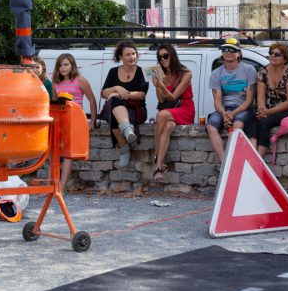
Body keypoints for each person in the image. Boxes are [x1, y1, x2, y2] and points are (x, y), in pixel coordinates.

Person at [205, 38, 256, 162]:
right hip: (224, 109)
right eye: (225, 49)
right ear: (222, 52)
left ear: (239, 53)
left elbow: (249, 100)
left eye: (232, 49)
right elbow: (217, 100)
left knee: (237, 126)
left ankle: (234, 160)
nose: (228, 52)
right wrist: (224, 114)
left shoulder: (249, 70)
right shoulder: (216, 73)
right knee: (211, 127)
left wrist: (232, 114)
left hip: (242, 108)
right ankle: (225, 162)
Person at [100, 40, 149, 169]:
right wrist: (116, 88)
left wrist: (120, 93)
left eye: (134, 53)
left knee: (115, 103)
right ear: (120, 56)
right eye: (128, 54)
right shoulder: (113, 71)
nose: (132, 57)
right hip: (118, 109)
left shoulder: (142, 71)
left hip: (136, 109)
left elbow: (141, 94)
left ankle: (124, 148)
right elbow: (103, 93)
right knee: (114, 106)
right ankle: (127, 131)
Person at [52, 53, 97, 191]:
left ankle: (61, 187)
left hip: (76, 120)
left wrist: (92, 121)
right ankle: (53, 185)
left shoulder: (80, 80)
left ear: (72, 65)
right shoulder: (56, 83)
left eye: (66, 64)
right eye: (60, 65)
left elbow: (92, 99)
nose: (63, 67)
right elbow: (55, 104)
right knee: (53, 153)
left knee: (67, 155)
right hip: (61, 121)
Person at [152, 43, 195, 181]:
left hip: (185, 107)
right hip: (170, 109)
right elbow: (162, 99)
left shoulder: (186, 73)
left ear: (172, 55)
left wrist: (161, 85)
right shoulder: (160, 72)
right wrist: (157, 86)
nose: (163, 59)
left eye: (165, 56)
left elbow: (173, 97)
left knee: (161, 115)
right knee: (168, 126)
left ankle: (156, 155)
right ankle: (159, 166)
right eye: (160, 58)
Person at [255, 43, 288, 157]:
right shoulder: (263, 71)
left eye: (276, 54)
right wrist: (261, 110)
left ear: (284, 58)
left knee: (265, 122)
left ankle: (258, 156)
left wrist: (268, 113)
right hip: (269, 109)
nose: (272, 56)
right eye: (270, 53)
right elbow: (260, 96)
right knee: (252, 120)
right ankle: (247, 150)